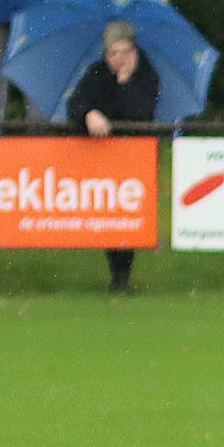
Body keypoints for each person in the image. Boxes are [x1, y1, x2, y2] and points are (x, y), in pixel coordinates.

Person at [68, 21, 157, 293]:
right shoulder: (96, 73)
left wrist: (125, 83)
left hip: (133, 157)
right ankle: (116, 275)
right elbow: (75, 104)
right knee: (108, 216)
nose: (117, 59)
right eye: (112, 53)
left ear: (134, 52)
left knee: (127, 218)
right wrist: (89, 113)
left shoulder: (148, 76)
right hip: (102, 157)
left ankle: (122, 277)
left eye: (123, 52)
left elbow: (141, 114)